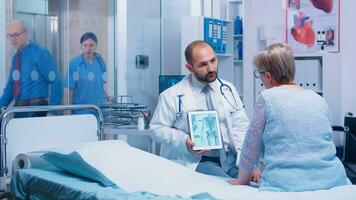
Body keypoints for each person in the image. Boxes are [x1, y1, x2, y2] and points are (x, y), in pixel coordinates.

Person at [229, 43, 349, 191]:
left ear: (268, 76)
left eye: (259, 75)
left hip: (286, 184)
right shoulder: (317, 98)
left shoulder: (267, 97)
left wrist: (242, 180)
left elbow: (250, 147)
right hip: (334, 179)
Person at [150, 40, 260, 180]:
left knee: (255, 186)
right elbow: (156, 129)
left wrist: (248, 164)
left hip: (229, 160)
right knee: (228, 187)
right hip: (198, 161)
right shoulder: (171, 96)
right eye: (203, 64)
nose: (211, 68)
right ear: (189, 67)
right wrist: (184, 141)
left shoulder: (228, 89)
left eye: (213, 61)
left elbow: (241, 126)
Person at [0, 20, 62, 117]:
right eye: (10, 35)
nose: (13, 39)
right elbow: (11, 87)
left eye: (16, 35)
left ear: (26, 34)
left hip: (36, 109)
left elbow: (56, 81)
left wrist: (52, 111)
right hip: (19, 109)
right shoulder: (16, 57)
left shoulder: (40, 53)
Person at [65, 32, 107, 114]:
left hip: (99, 111)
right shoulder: (74, 64)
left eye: (91, 45)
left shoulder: (100, 62)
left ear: (96, 46)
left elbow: (101, 86)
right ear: (81, 46)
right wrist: (68, 113)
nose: (88, 49)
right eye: (85, 45)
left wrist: (109, 100)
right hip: (81, 112)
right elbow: (70, 92)